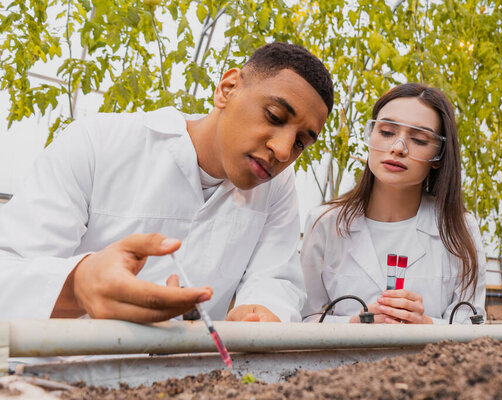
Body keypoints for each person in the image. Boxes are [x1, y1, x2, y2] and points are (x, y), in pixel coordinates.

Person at [0, 42, 334, 324]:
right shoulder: (98, 142)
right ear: (227, 88)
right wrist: (78, 284)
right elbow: (9, 270)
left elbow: (273, 276)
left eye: (302, 142)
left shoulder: (276, 187)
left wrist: (262, 310)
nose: (283, 149)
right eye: (274, 117)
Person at [301, 83, 486, 324]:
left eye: (419, 139)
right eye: (387, 133)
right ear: (370, 136)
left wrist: (427, 325)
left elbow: (473, 327)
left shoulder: (459, 228)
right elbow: (303, 318)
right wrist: (354, 325)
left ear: (438, 156)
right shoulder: (325, 223)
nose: (398, 148)